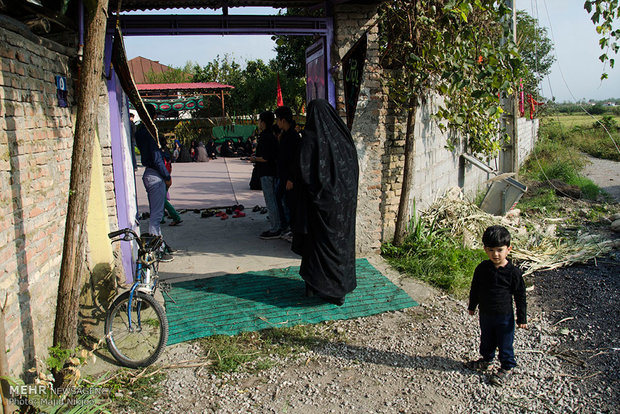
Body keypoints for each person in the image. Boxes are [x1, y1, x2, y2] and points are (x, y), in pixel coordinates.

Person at [294, 99, 359, 306]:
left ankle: (320, 287)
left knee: (319, 247)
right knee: (342, 245)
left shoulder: (311, 138)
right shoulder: (343, 137)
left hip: (320, 206)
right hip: (344, 205)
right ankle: (339, 289)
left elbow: (303, 172)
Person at [467, 225, 527, 386]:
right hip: (486, 314)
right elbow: (475, 288)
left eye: (500, 250)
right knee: (486, 339)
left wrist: (522, 317)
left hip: (504, 317)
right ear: (485, 249)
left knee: (505, 343)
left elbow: (520, 295)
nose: (496, 254)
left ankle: (507, 367)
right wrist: (472, 306)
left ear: (508, 249)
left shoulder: (513, 273)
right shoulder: (482, 269)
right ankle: (487, 360)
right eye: (491, 250)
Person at [134, 105, 173, 262]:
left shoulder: (140, 131)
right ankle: (157, 250)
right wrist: (166, 175)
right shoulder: (150, 133)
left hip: (150, 173)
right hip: (155, 175)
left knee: (156, 214)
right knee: (156, 216)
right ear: (154, 116)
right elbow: (156, 158)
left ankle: (160, 244)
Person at [251, 111, 280, 239]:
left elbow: (266, 158)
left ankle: (275, 228)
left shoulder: (265, 136)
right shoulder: (272, 136)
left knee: (271, 201)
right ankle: (277, 225)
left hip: (266, 172)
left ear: (263, 122)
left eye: (259, 121)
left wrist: (254, 159)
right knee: (274, 200)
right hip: (272, 172)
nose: (259, 124)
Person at [274, 106, 301, 239]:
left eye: (277, 120)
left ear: (283, 120)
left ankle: (293, 230)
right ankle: (288, 227)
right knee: (281, 199)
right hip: (283, 176)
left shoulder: (293, 137)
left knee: (291, 204)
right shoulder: (284, 135)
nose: (277, 123)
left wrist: (291, 178)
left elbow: (295, 160)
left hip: (289, 178)